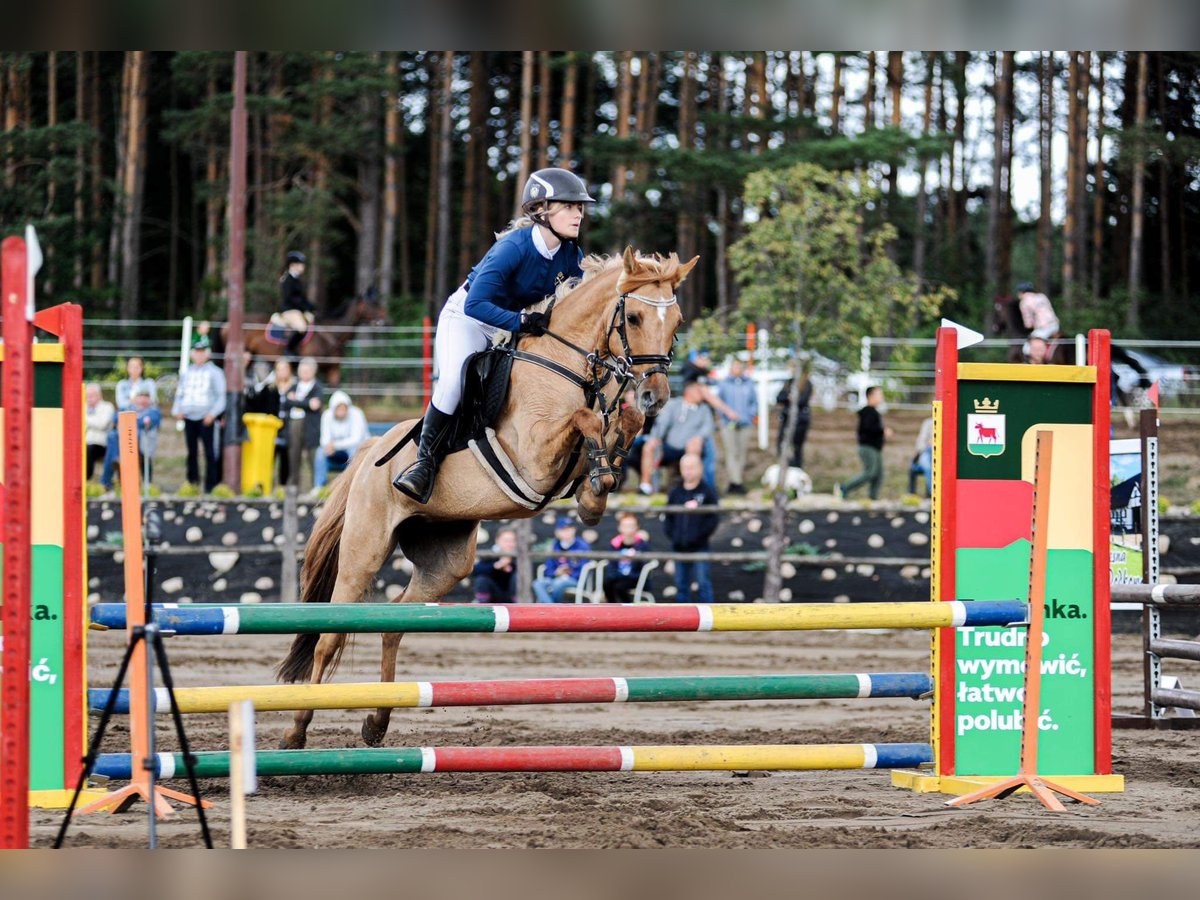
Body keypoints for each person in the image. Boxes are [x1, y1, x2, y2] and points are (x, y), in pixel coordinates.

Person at [393, 168, 595, 503]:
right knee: (454, 383)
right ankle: (423, 464)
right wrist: (521, 321)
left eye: (580, 208)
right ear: (541, 209)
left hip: (515, 324)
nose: (579, 214)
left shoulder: (572, 254)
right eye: (569, 206)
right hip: (468, 320)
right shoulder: (513, 248)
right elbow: (476, 304)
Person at [639, 381, 716, 496]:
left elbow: (708, 427)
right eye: (699, 391)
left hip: (690, 447)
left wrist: (698, 438)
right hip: (670, 446)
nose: (702, 394)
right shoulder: (674, 404)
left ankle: (692, 486)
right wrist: (656, 437)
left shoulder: (704, 409)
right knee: (649, 446)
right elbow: (662, 423)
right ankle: (646, 485)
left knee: (695, 446)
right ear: (689, 392)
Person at [171, 336, 227, 492]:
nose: (199, 355)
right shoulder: (187, 373)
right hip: (189, 417)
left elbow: (221, 396)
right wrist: (177, 410)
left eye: (202, 352)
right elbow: (180, 393)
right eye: (197, 352)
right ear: (192, 354)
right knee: (192, 452)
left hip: (206, 418)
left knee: (210, 452)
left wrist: (213, 414)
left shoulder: (215, 372)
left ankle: (212, 485)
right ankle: (192, 483)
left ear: (207, 354)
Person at [663, 453, 719, 603]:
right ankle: (683, 622)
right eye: (685, 468)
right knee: (681, 585)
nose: (688, 471)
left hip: (700, 547)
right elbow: (668, 518)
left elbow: (713, 519)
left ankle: (709, 619)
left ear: (700, 468)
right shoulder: (675, 492)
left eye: (692, 468)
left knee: (703, 584)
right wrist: (674, 536)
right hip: (678, 546)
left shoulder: (707, 492)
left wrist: (699, 537)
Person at [101, 356, 158, 489]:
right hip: (126, 423)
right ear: (127, 368)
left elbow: (151, 403)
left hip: (141, 428)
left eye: (137, 366)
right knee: (112, 436)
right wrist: (137, 401)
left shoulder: (148, 383)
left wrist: (133, 403)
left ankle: (107, 480)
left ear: (142, 368)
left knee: (128, 434)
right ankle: (117, 460)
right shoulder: (122, 384)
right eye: (131, 366)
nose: (134, 369)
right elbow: (122, 405)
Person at [836, 385, 894, 501]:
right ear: (871, 396)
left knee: (879, 475)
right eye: (879, 394)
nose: (881, 397)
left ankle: (873, 498)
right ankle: (845, 488)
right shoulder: (868, 412)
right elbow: (868, 428)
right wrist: (882, 431)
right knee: (870, 472)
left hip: (875, 448)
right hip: (868, 447)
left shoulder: (875, 412)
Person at [715, 358, 757, 495]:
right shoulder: (724, 384)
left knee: (741, 453)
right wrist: (726, 415)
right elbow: (718, 403)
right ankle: (737, 482)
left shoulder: (749, 384)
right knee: (731, 452)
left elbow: (754, 403)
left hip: (745, 424)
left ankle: (735, 482)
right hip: (728, 424)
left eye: (740, 367)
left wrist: (749, 416)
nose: (738, 369)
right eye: (735, 367)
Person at [315, 389, 370, 490]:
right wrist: (328, 446)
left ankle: (351, 486)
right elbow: (324, 439)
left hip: (358, 451)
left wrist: (334, 445)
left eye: (344, 408)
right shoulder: (327, 415)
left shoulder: (357, 414)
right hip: (335, 453)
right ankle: (320, 487)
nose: (341, 411)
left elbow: (356, 439)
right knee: (320, 452)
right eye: (338, 408)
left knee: (353, 450)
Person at [283, 357, 324, 492]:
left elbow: (316, 405)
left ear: (313, 371)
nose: (304, 372)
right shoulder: (294, 386)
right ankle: (294, 488)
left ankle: (315, 488)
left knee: (312, 456)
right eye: (302, 370)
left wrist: (297, 401)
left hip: (311, 427)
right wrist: (306, 403)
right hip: (294, 425)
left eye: (307, 370)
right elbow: (287, 402)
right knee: (294, 456)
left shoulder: (317, 387)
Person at [532, 516, 591, 604]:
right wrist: (556, 572)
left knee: (558, 583)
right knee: (538, 583)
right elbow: (548, 568)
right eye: (563, 529)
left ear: (574, 530)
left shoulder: (582, 545)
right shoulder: (554, 545)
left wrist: (570, 571)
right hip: (555, 578)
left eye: (569, 529)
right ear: (557, 532)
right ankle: (551, 608)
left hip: (574, 580)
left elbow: (584, 567)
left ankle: (553, 609)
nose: (567, 532)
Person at [604, 511, 651, 602]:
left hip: (635, 578)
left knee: (619, 587)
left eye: (631, 526)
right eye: (625, 526)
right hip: (618, 576)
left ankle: (628, 609)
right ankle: (613, 608)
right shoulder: (615, 544)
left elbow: (643, 566)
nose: (628, 529)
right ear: (619, 527)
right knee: (607, 584)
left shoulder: (642, 545)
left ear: (637, 527)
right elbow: (611, 565)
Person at [279, 250, 315, 360]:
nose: (303, 266)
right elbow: (290, 298)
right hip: (289, 310)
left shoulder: (297, 279)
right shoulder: (287, 279)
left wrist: (311, 306)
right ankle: (288, 349)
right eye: (300, 264)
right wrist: (304, 307)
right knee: (301, 327)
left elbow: (301, 297)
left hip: (297, 310)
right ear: (293, 265)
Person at [775, 368, 814, 469]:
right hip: (787, 418)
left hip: (801, 419)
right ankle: (787, 465)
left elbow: (802, 401)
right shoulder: (789, 382)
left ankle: (796, 467)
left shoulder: (806, 383)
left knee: (797, 446)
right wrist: (789, 398)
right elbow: (779, 398)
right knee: (781, 443)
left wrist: (793, 399)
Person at [1015, 282, 1060, 362]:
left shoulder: (1024, 302)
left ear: (1022, 292)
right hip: (1055, 325)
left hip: (1044, 328)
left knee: (1026, 348)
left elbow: (1028, 323)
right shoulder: (1042, 296)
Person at [472, 527, 519, 603]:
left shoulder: (520, 557)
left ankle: (519, 606)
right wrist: (496, 566)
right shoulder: (491, 555)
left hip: (513, 597)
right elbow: (476, 571)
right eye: (506, 540)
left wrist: (511, 565)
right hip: (493, 595)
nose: (510, 544)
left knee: (517, 577)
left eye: (513, 540)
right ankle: (482, 608)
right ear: (497, 541)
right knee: (482, 579)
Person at [130, 385, 163, 484]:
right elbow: (117, 419)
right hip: (130, 441)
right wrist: (140, 421)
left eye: (145, 397)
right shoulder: (128, 408)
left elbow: (152, 421)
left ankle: (147, 483)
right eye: (140, 397)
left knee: (144, 454)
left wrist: (135, 421)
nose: (142, 400)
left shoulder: (154, 411)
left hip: (145, 441)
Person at [84, 383, 115, 481]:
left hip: (101, 443)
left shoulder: (107, 406)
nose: (89, 398)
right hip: (85, 441)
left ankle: (86, 479)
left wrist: (85, 419)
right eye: (87, 396)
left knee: (89, 449)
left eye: (92, 396)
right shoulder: (83, 407)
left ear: (99, 396)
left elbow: (102, 424)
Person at [908, 415, 934, 498]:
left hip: (938, 453)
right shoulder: (928, 423)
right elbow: (921, 440)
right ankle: (931, 492)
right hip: (927, 451)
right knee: (928, 466)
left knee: (932, 467)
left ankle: (932, 493)